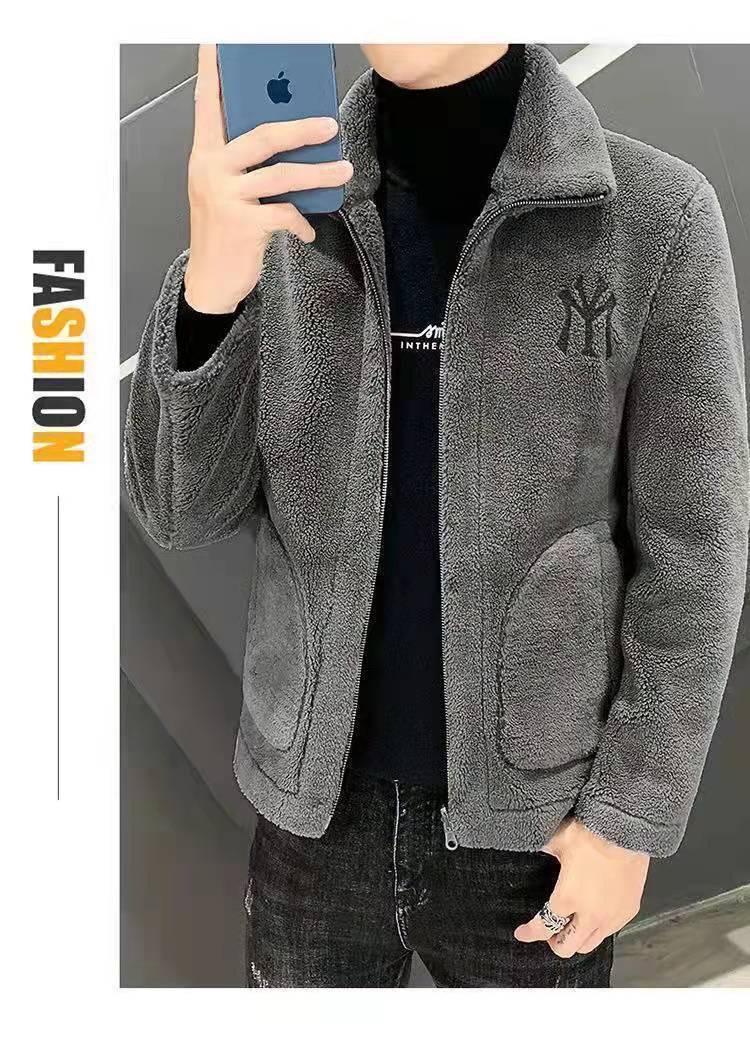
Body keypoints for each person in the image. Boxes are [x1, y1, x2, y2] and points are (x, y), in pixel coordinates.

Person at [124, 43, 749, 987]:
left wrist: (627, 821)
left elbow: (697, 553)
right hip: (310, 820)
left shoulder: (654, 216)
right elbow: (178, 510)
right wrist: (212, 285)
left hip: (536, 831)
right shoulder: (271, 214)